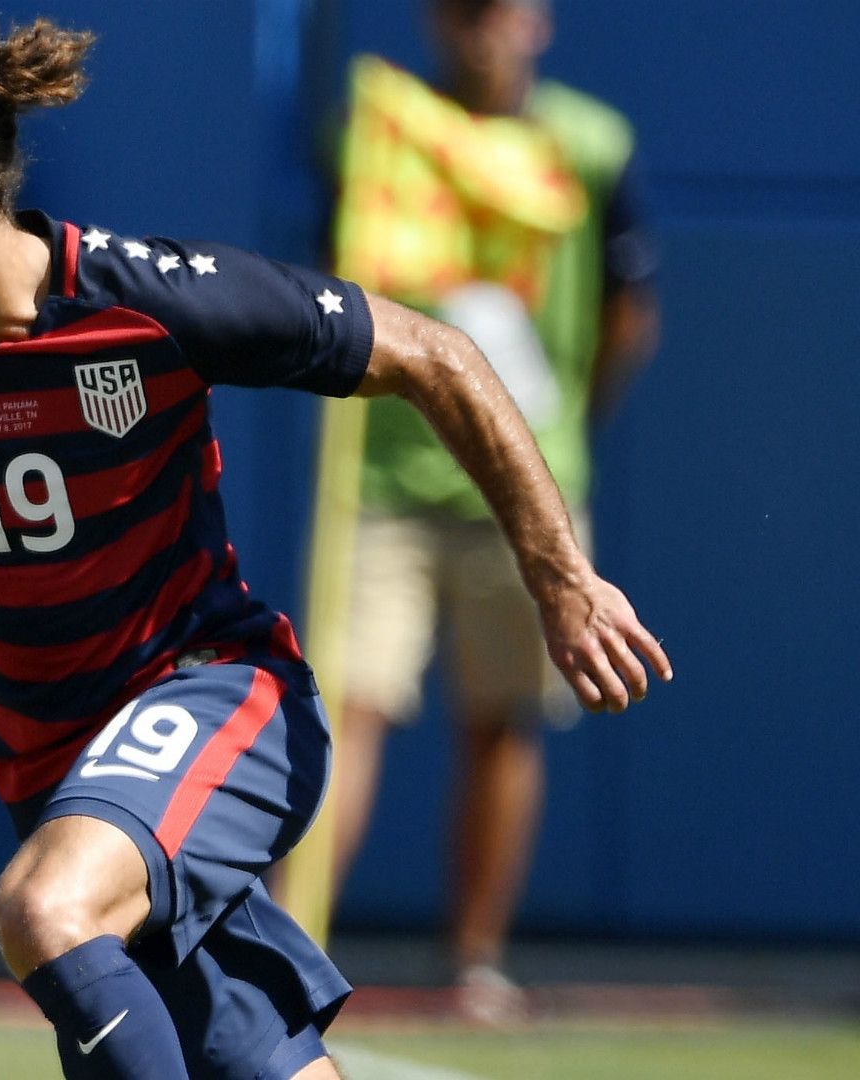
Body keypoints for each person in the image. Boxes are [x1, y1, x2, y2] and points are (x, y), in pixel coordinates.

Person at [0, 13, 670, 1080]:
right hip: (53, 767)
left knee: (45, 910)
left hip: (214, 696)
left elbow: (438, 354)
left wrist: (562, 581)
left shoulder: (145, 298)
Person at [323, 0, 661, 1025]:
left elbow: (626, 310)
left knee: (502, 723)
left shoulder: (591, 143)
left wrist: (552, 452)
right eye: (460, 11)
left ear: (537, 20)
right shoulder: (383, 129)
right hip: (384, 480)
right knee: (348, 711)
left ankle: (475, 961)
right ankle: (290, 941)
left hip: (526, 495)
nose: (481, 31)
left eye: (497, 9)